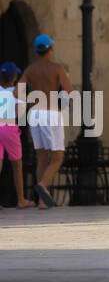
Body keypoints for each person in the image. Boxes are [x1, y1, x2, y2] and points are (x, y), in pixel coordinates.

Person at [18, 35, 73, 209]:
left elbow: (16, 93)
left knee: (41, 157)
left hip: (34, 114)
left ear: (36, 50)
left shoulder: (30, 70)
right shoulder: (57, 68)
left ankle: (42, 201)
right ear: (51, 49)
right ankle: (43, 186)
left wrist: (30, 101)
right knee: (57, 157)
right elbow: (69, 91)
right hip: (51, 114)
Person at [0, 62, 33, 209]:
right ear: (14, 77)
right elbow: (20, 113)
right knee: (17, 164)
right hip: (9, 128)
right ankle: (21, 199)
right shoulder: (16, 92)